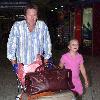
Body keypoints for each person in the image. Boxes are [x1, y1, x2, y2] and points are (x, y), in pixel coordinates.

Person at [7, 3, 52, 86]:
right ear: (25, 16)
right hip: (23, 65)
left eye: (34, 15)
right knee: (25, 87)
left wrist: (46, 60)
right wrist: (14, 65)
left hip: (38, 64)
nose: (32, 17)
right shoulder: (17, 26)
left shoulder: (42, 26)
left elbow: (47, 43)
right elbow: (11, 45)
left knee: (39, 88)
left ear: (37, 16)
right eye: (29, 15)